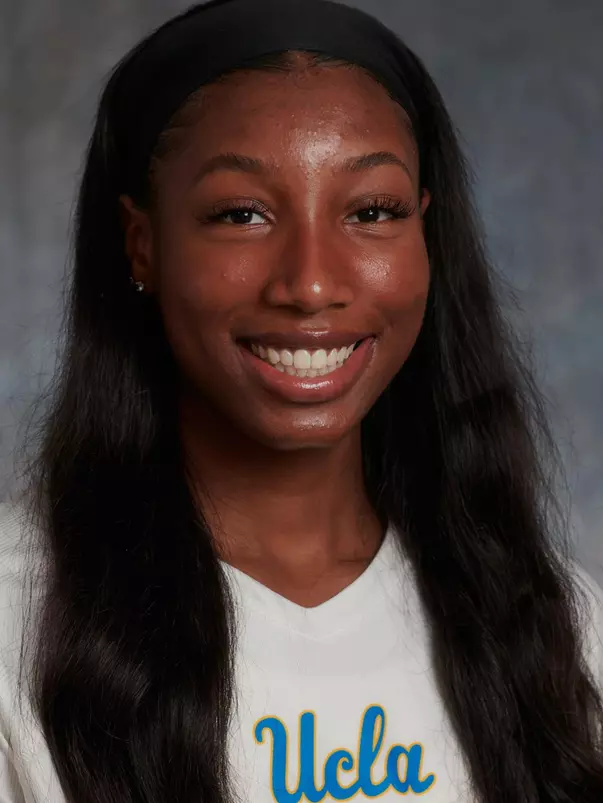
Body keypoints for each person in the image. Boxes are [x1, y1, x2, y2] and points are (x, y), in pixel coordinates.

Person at [0, 0, 602, 801]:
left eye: (371, 211)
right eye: (240, 214)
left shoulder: (563, 631)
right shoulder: (15, 623)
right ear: (142, 243)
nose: (311, 283)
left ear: (425, 234)